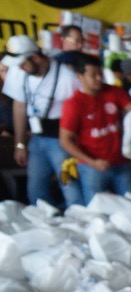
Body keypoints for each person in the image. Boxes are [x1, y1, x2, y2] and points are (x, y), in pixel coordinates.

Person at [3, 35, 78, 208]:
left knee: (70, 186)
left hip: (62, 137)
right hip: (37, 138)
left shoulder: (67, 76)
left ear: (36, 57)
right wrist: (20, 144)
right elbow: (19, 106)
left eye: (23, 64)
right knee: (36, 192)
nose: (20, 69)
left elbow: (80, 110)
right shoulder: (18, 71)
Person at [58, 54, 131, 205]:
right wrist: (92, 162)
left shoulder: (115, 92)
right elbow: (65, 140)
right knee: (97, 213)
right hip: (92, 167)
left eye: (100, 73)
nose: (99, 78)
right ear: (79, 76)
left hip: (121, 162)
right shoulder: (73, 104)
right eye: (93, 75)